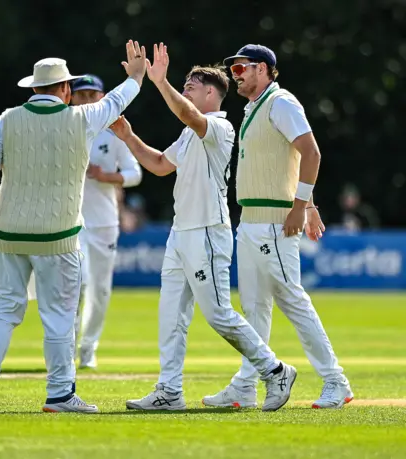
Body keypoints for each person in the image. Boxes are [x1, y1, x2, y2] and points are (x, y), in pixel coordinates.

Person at [0, 41, 147, 414]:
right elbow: (117, 100)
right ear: (66, 90)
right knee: (58, 314)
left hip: (8, 232)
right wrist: (136, 75)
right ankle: (59, 395)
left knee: (2, 309)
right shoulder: (82, 117)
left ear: (34, 88)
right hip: (58, 237)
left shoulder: (7, 118)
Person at [112, 43, 296, 412]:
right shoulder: (191, 131)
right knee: (171, 316)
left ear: (211, 92)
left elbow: (189, 115)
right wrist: (128, 136)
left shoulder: (219, 126)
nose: (185, 91)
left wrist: (160, 83)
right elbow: (162, 165)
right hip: (182, 233)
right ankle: (169, 391)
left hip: (208, 230)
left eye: (190, 86)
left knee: (218, 313)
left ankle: (275, 370)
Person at [202, 44, 353, 410]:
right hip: (252, 221)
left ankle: (336, 381)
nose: (236, 76)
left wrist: (302, 207)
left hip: (275, 223)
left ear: (264, 70)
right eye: (234, 70)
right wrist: (309, 204)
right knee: (253, 308)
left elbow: (311, 151)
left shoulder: (281, 102)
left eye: (242, 69)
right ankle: (245, 385)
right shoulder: (254, 107)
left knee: (292, 300)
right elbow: (292, 161)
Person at [69, 74, 142, 369]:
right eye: (81, 95)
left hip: (104, 223)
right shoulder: (64, 128)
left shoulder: (113, 134)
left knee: (99, 291)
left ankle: (88, 348)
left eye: (92, 95)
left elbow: (135, 173)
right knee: (78, 284)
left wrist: (106, 176)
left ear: (102, 98)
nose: (86, 100)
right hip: (70, 223)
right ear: (70, 97)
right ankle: (67, 348)